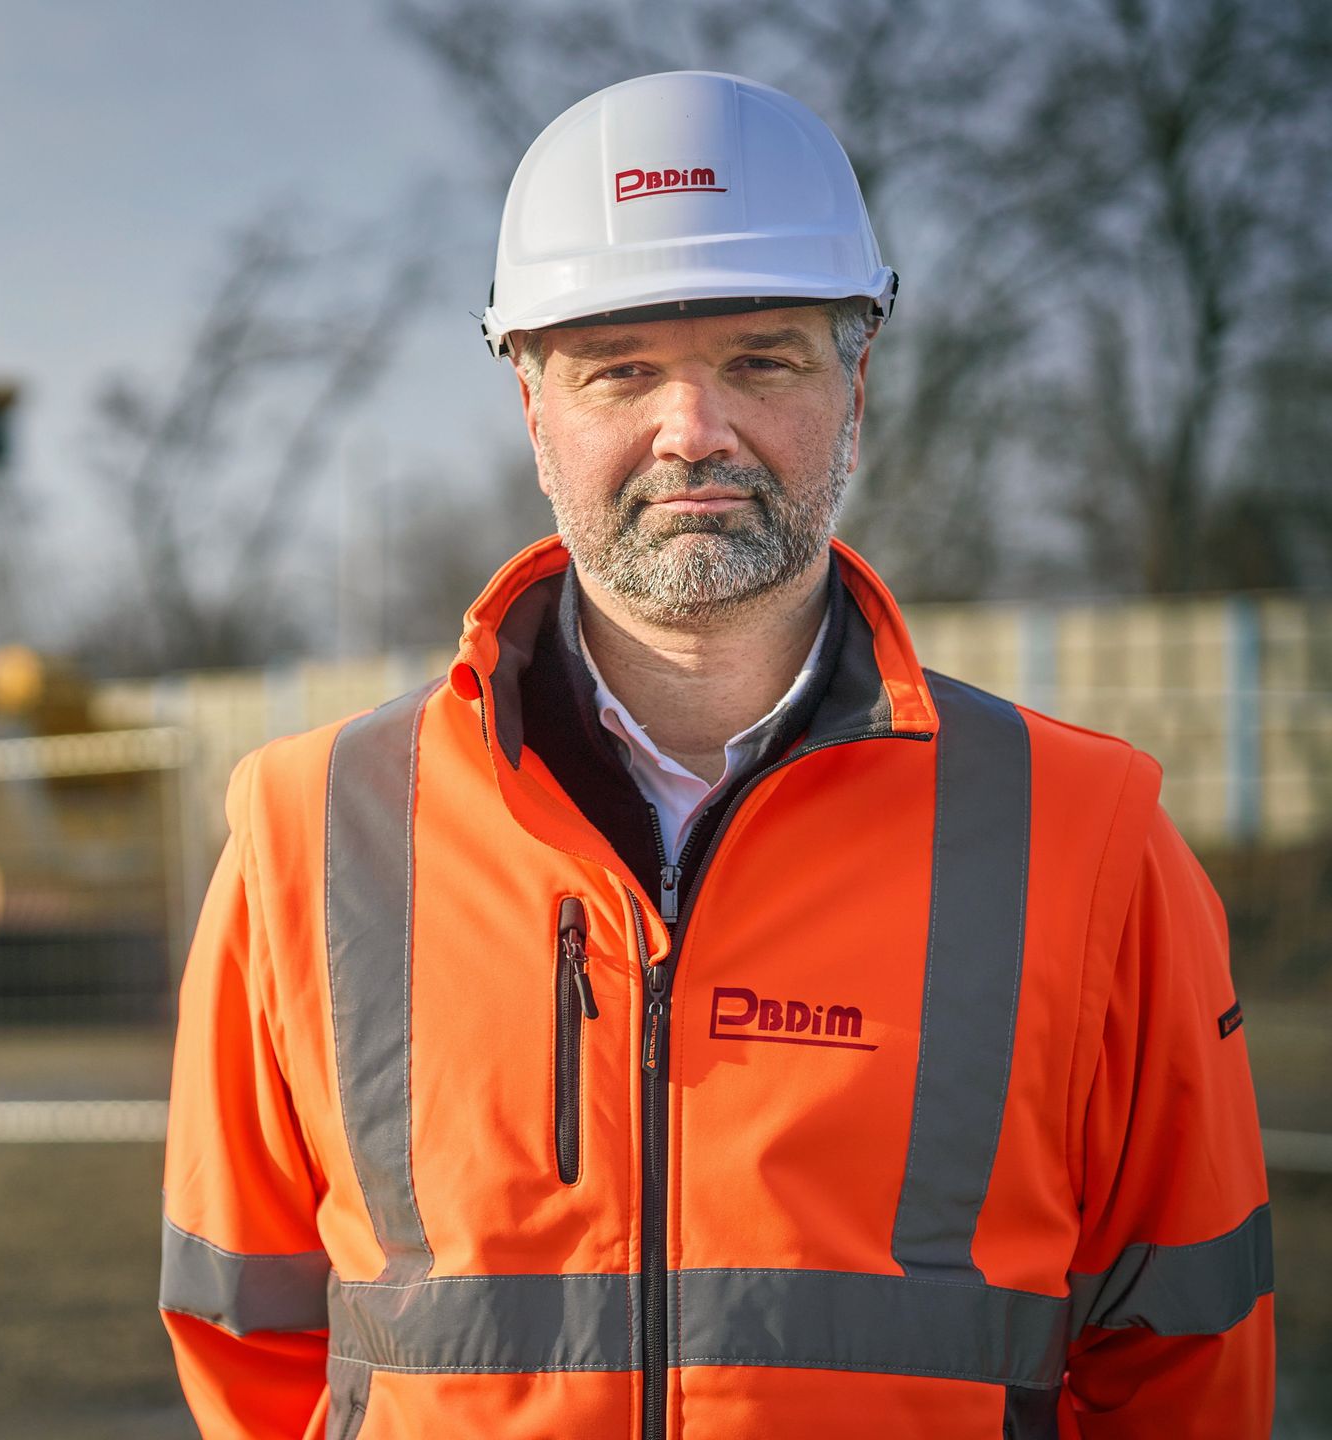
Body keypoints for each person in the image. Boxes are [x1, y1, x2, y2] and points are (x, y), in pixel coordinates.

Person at [158, 70, 1273, 1439]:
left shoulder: (1086, 837)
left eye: (763, 360)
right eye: (621, 370)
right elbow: (249, 1331)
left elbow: (1186, 1359)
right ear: (534, 410)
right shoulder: (313, 831)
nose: (693, 431)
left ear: (855, 388)